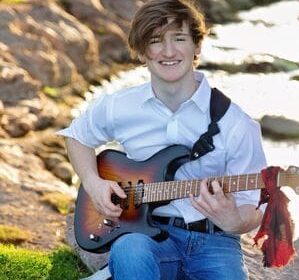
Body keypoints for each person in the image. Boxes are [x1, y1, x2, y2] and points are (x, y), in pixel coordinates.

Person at [58, 0, 267, 279]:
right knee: (129, 250)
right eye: (156, 41)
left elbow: (254, 203)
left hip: (215, 241)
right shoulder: (119, 106)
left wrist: (235, 221)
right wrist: (94, 184)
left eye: (179, 38)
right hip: (145, 235)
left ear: (197, 47)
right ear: (142, 52)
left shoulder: (236, 124)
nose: (168, 52)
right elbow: (76, 137)